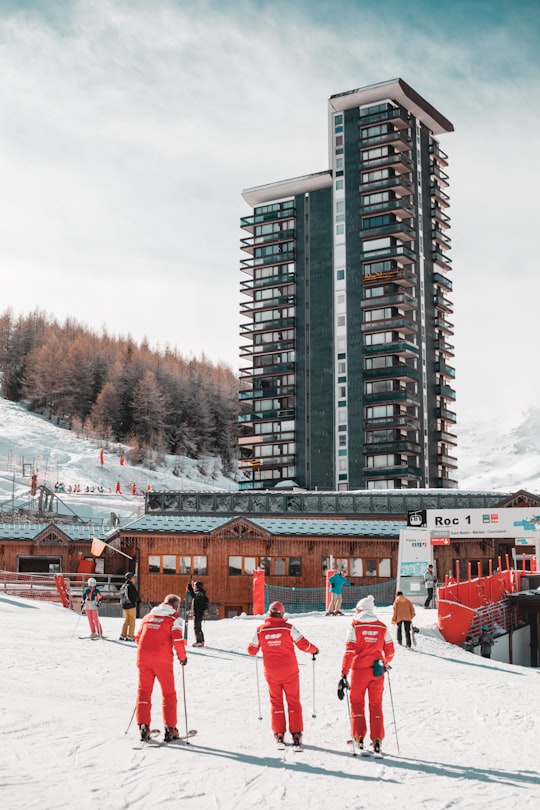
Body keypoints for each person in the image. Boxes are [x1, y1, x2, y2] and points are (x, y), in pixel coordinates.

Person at [247, 601, 318, 748]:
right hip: (290, 671)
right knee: (293, 701)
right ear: (282, 613)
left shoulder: (260, 630)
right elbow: (303, 644)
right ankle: (296, 732)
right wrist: (314, 650)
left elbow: (251, 650)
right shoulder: (288, 628)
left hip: (272, 672)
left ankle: (279, 733)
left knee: (276, 701)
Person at [339, 594, 394, 754]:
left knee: (357, 703)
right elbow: (390, 651)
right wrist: (384, 662)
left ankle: (359, 738)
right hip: (377, 671)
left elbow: (349, 651)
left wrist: (344, 672)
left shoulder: (355, 626)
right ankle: (377, 740)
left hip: (359, 671)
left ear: (361, 610)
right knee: (376, 705)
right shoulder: (382, 627)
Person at [135, 593, 187, 742]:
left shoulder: (148, 617)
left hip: (143, 658)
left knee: (144, 691)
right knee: (168, 693)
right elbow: (177, 639)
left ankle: (143, 726)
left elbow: (138, 638)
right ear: (176, 606)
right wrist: (182, 658)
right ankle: (170, 728)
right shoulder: (174, 619)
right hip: (162, 660)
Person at [187, 579, 209, 647]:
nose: (194, 587)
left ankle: (199, 641)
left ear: (198, 587)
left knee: (197, 627)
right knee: (198, 627)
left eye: (195, 586)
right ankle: (201, 641)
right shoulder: (201, 593)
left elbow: (194, 596)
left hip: (198, 613)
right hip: (198, 613)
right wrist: (190, 588)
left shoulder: (199, 593)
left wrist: (190, 588)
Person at [119, 572, 140, 641]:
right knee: (132, 621)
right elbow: (134, 595)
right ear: (130, 578)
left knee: (127, 620)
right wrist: (137, 600)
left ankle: (123, 634)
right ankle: (130, 635)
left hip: (124, 605)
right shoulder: (131, 586)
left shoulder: (123, 586)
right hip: (131, 605)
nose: (134, 579)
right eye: (133, 577)